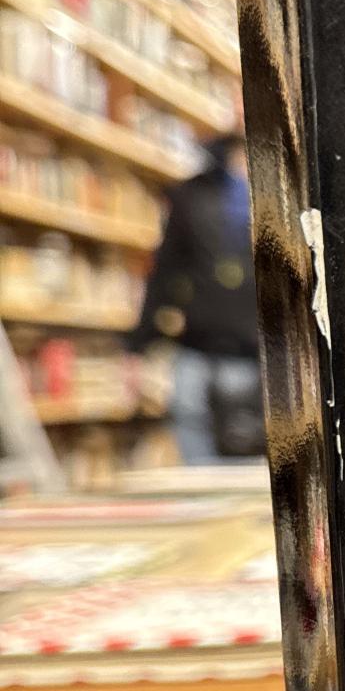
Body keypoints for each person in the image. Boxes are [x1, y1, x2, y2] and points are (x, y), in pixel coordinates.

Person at [128, 131, 263, 464]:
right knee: (198, 449)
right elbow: (165, 271)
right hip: (198, 348)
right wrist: (138, 344)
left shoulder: (274, 191)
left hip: (250, 351)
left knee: (244, 453)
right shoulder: (192, 195)